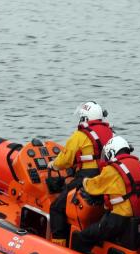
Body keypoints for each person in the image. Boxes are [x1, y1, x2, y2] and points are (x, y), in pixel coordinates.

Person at [48, 101, 114, 245]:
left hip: (87, 175)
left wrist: (53, 164)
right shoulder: (110, 132)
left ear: (84, 117)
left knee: (57, 207)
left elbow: (65, 160)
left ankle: (58, 243)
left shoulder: (80, 135)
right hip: (106, 176)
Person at [75, 136, 140, 254]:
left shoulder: (112, 170)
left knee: (83, 237)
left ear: (112, 152)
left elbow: (93, 187)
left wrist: (83, 181)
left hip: (118, 220)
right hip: (138, 218)